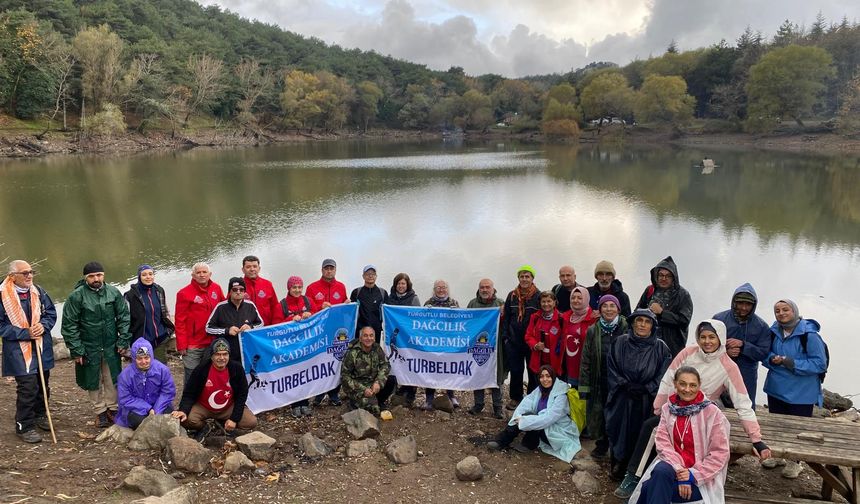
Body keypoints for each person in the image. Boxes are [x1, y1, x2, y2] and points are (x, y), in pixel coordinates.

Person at [614, 319, 771, 498]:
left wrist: (756, 439)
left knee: (685, 437)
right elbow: (668, 378)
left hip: (702, 413)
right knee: (651, 426)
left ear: (721, 338)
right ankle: (634, 475)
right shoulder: (689, 353)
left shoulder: (728, 366)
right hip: (676, 407)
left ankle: (690, 476)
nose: (707, 341)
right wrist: (658, 408)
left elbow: (743, 403)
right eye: (702, 337)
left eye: (712, 337)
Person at [628, 366, 731, 504]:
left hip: (701, 477)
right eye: (682, 384)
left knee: (648, 488)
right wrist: (681, 472)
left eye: (692, 385)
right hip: (673, 467)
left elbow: (720, 454)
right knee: (660, 471)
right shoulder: (667, 409)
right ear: (675, 384)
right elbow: (663, 444)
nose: (687, 389)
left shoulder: (712, 413)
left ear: (699, 386)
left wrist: (692, 476)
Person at [762, 299, 827, 479]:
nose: (781, 313)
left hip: (802, 393)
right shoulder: (773, 331)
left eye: (785, 309)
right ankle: (778, 456)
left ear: (795, 311)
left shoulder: (810, 335)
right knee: (777, 426)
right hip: (776, 389)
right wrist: (772, 359)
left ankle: (795, 462)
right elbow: (764, 354)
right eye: (777, 311)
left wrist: (789, 362)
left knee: (798, 430)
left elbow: (819, 364)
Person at [62, 261, 131, 428]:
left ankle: (113, 409)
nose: (96, 278)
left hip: (110, 345)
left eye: (99, 275)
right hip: (88, 346)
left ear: (103, 275)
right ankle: (100, 411)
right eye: (92, 276)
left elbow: (124, 317)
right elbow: (69, 325)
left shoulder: (113, 292)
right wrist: (77, 350)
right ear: (86, 278)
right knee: (93, 379)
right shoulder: (76, 296)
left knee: (112, 378)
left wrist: (123, 340)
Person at [606, 309, 671, 480]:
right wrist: (624, 384)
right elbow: (611, 367)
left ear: (653, 325)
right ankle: (618, 464)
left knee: (642, 432)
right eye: (639, 320)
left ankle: (637, 470)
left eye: (647, 321)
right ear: (633, 322)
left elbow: (665, 374)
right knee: (619, 429)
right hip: (623, 394)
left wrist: (648, 387)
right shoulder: (620, 342)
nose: (642, 324)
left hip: (647, 398)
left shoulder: (661, 347)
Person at [1, 260, 57, 443]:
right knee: (28, 386)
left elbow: (50, 313)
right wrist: (24, 333)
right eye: (24, 273)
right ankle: (24, 425)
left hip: (41, 346)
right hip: (18, 350)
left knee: (42, 382)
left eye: (31, 272)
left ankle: (41, 413)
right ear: (12, 276)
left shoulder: (38, 291)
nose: (29, 276)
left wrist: (43, 326)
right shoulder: (2, 295)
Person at [487, 365, 580, 463]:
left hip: (558, 432)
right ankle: (502, 441)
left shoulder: (561, 396)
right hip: (545, 425)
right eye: (542, 376)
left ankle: (528, 443)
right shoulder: (540, 390)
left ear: (553, 377)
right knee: (526, 415)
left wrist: (524, 421)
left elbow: (549, 418)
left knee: (532, 419)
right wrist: (519, 416)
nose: (545, 379)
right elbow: (526, 403)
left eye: (548, 376)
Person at [579, 294, 628, 460]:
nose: (608, 309)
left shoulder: (626, 327)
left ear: (618, 309)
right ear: (599, 310)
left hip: (621, 382)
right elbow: (586, 359)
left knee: (618, 414)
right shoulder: (593, 330)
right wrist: (584, 387)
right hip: (599, 379)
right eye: (604, 306)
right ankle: (601, 445)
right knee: (600, 413)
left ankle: (618, 448)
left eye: (612, 306)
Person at [171, 337, 257, 432]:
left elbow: (242, 394)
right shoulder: (201, 369)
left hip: (228, 406)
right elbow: (189, 394)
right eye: (218, 354)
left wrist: (234, 419)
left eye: (225, 354)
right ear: (212, 356)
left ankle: (224, 422)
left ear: (229, 355)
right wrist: (183, 410)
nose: (222, 358)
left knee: (251, 422)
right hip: (204, 406)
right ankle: (206, 427)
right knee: (185, 419)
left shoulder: (237, 369)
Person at [712, 283, 771, 406]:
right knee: (713, 405)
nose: (744, 308)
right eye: (740, 303)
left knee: (745, 406)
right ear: (734, 302)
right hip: (719, 369)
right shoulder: (718, 319)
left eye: (748, 304)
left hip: (747, 373)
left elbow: (763, 353)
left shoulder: (761, 326)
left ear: (753, 305)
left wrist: (744, 346)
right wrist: (725, 352)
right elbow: (706, 345)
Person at [274, 276, 319, 417]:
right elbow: (274, 327)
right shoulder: (281, 305)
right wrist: (290, 320)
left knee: (305, 374)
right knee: (293, 375)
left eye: (300, 287)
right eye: (294, 287)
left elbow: (319, 318)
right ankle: (294, 404)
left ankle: (305, 402)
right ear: (289, 288)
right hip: (290, 347)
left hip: (306, 345)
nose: (297, 290)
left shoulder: (308, 301)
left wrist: (310, 314)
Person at [174, 262, 225, 385]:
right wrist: (182, 344)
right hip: (193, 344)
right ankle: (188, 402)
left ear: (210, 274)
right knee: (192, 375)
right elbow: (180, 320)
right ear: (193, 275)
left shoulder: (216, 288)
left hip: (212, 340)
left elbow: (223, 308)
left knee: (209, 373)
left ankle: (205, 400)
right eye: (198, 272)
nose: (202, 275)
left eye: (204, 272)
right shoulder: (184, 293)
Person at [306, 260, 348, 406]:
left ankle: (334, 393)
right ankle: (319, 393)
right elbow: (308, 309)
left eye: (331, 268)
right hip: (319, 333)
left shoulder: (341, 287)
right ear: (322, 270)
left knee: (336, 360)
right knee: (319, 361)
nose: (329, 271)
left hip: (336, 331)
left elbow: (344, 308)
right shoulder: (312, 288)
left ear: (335, 270)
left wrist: (348, 306)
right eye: (326, 268)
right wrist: (320, 306)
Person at [635, 256, 693, 358]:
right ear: (656, 276)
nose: (663, 278)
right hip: (646, 344)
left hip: (672, 348)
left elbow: (684, 321)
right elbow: (636, 313)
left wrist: (662, 313)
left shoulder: (683, 295)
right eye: (661, 275)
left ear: (674, 277)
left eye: (668, 276)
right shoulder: (650, 290)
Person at [502, 265, 541, 410]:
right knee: (516, 371)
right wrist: (505, 337)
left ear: (532, 278)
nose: (524, 279)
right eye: (522, 276)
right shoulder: (512, 295)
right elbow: (506, 317)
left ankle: (531, 399)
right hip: (513, 341)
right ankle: (515, 398)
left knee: (533, 371)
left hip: (532, 342)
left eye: (527, 276)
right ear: (518, 278)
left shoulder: (539, 296)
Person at [115, 338, 175, 429]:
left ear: (151, 356)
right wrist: (147, 408)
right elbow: (125, 398)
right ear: (134, 358)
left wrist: (156, 410)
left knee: (169, 414)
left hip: (159, 405)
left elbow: (167, 392)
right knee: (139, 421)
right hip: (136, 409)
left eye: (146, 358)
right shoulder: (125, 375)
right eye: (139, 358)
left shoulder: (162, 370)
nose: (144, 362)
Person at [467, 279, 505, 419]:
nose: (484, 290)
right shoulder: (472, 304)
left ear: (493, 289)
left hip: (495, 347)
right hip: (477, 346)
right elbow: (465, 323)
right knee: (478, 373)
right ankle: (478, 404)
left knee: (496, 375)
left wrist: (503, 314)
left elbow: (506, 323)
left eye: (487, 287)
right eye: (482, 287)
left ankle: (498, 407)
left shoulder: (500, 303)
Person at [421, 279, 461, 410]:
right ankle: (429, 399)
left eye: (443, 287)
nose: (441, 290)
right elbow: (421, 322)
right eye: (438, 287)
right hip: (432, 343)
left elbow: (461, 322)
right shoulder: (428, 303)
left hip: (449, 343)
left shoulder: (454, 303)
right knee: (430, 369)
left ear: (447, 289)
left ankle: (451, 396)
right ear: (434, 289)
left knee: (449, 369)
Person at [340, 326, 397, 415]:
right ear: (360, 338)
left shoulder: (377, 348)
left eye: (371, 336)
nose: (368, 338)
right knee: (374, 410)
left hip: (372, 384)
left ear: (374, 338)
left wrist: (378, 382)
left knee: (391, 380)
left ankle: (378, 401)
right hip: (358, 387)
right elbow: (345, 377)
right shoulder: (352, 353)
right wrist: (363, 389)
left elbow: (385, 365)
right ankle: (354, 402)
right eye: (365, 336)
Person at [124, 265, 175, 364]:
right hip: (141, 340)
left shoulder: (159, 290)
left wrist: (168, 330)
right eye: (144, 275)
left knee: (160, 368)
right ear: (139, 277)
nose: (148, 277)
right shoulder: (130, 296)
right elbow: (126, 320)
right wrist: (126, 341)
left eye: (150, 274)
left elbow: (165, 312)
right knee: (142, 368)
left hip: (160, 338)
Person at [205, 277, 263, 362]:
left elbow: (261, 323)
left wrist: (250, 327)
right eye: (235, 289)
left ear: (244, 291)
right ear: (230, 292)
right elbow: (208, 328)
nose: (238, 292)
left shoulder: (250, 305)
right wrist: (227, 331)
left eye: (241, 289)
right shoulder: (220, 307)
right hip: (227, 353)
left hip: (247, 350)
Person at [386, 273, 421, 407]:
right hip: (396, 337)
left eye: (403, 284)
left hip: (409, 337)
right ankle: (399, 388)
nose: (401, 286)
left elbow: (418, 319)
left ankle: (411, 392)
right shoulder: (390, 299)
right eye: (399, 283)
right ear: (395, 285)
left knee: (411, 363)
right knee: (397, 362)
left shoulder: (414, 299)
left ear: (407, 285)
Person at [560, 286, 598, 387]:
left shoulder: (594, 318)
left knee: (584, 397)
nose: (575, 300)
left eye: (579, 298)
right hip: (568, 367)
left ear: (586, 299)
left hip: (586, 369)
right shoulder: (564, 317)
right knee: (572, 396)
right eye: (573, 298)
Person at [524, 291, 563, 385]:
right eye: (543, 302)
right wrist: (535, 345)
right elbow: (528, 335)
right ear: (540, 303)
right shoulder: (535, 317)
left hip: (555, 361)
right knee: (538, 386)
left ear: (554, 302)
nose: (546, 304)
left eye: (549, 301)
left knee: (554, 386)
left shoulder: (561, 319)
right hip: (539, 360)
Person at [350, 265, 388, 341]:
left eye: (373, 274)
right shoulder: (356, 292)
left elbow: (388, 313)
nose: (370, 276)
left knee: (375, 352)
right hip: (360, 331)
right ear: (363, 276)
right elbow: (350, 312)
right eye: (368, 274)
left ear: (376, 276)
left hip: (376, 332)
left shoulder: (383, 293)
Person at [241, 255, 279, 326]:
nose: (252, 269)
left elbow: (275, 307)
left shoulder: (267, 284)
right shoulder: (237, 286)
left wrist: (274, 326)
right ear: (243, 270)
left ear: (259, 268)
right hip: (245, 330)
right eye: (248, 267)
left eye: (255, 266)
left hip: (266, 328)